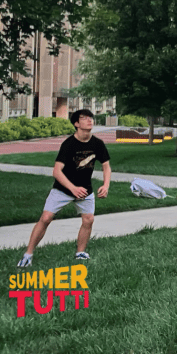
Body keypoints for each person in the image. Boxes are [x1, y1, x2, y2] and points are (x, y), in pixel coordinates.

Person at [17, 109, 111, 267]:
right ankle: (28, 254)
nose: (90, 120)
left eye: (91, 118)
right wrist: (73, 189)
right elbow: (56, 171)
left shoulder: (97, 144)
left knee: (88, 220)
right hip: (62, 189)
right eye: (84, 118)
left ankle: (80, 252)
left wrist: (106, 185)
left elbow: (106, 167)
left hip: (85, 189)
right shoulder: (69, 144)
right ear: (76, 124)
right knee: (46, 218)